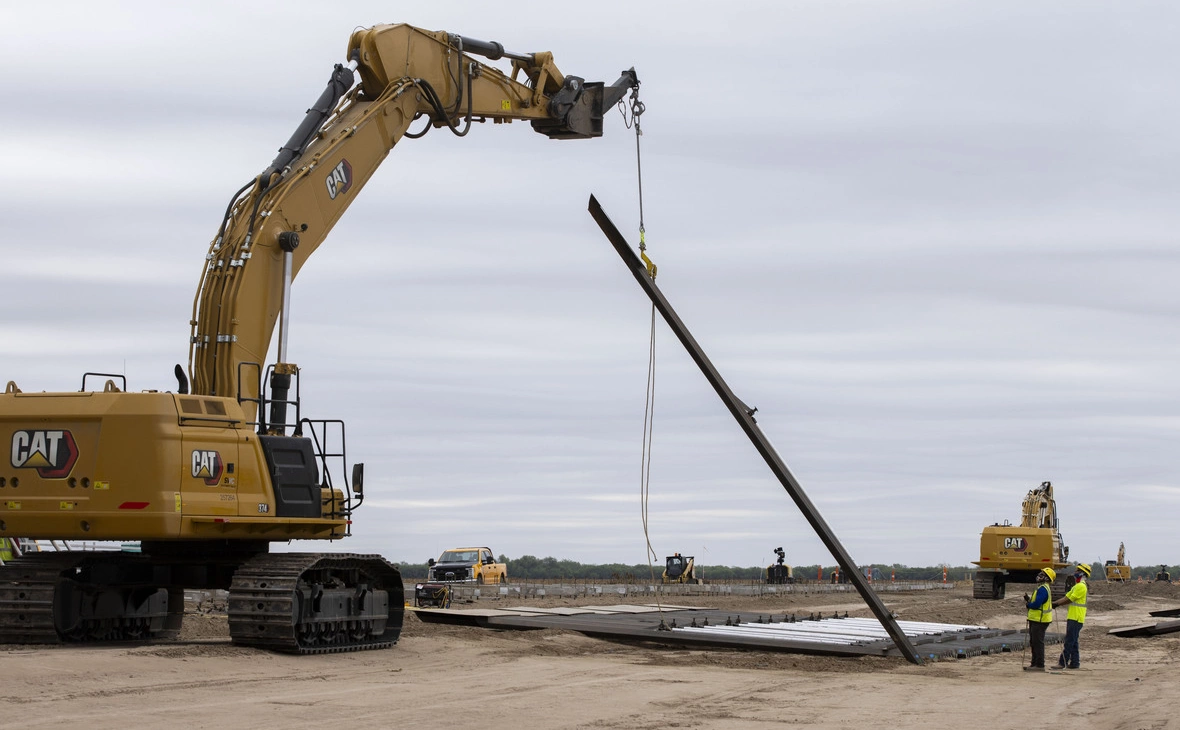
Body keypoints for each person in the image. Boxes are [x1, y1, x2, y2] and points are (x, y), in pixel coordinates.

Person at [1051, 563, 1089, 670]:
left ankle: (1062, 663)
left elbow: (1069, 599)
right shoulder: (1077, 586)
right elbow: (1065, 597)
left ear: (1082, 573)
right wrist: (1054, 603)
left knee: (1069, 641)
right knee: (1074, 641)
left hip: (1076, 617)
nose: (1075, 572)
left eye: (1078, 571)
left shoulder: (1081, 586)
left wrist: (1056, 604)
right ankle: (1075, 663)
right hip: (1074, 617)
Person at [1023, 568, 1055, 671]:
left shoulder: (1043, 589)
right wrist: (1029, 599)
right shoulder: (1041, 588)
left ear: (1046, 578)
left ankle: (1040, 665)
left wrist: (1029, 604)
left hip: (1040, 620)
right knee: (1034, 642)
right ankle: (1034, 663)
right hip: (1037, 619)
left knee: (1037, 642)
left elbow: (1037, 604)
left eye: (1042, 574)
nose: (1039, 575)